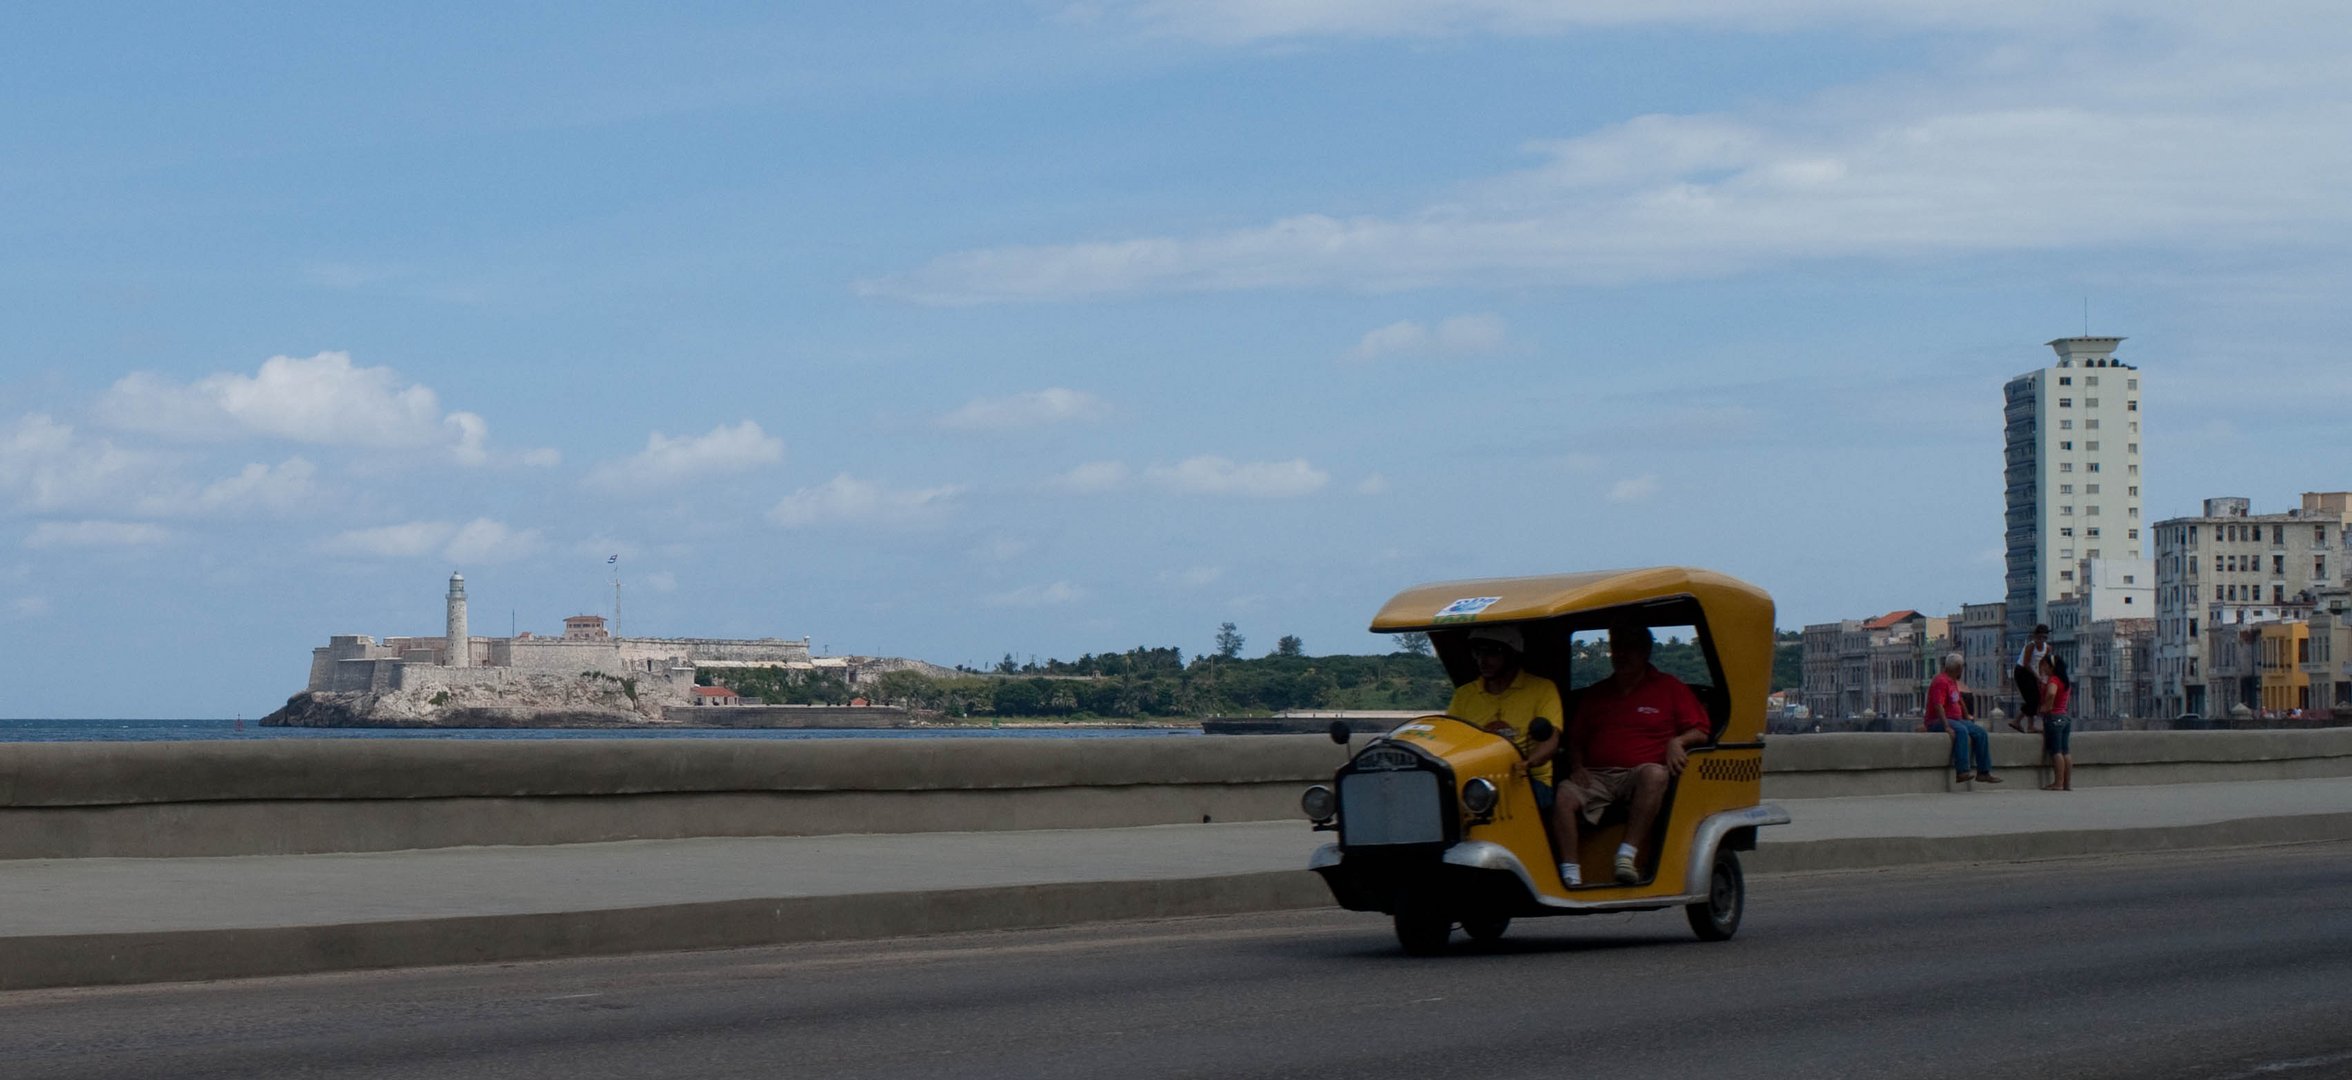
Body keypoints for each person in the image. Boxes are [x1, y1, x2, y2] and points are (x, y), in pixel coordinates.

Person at [1558, 626, 1712, 885]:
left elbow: (1701, 731)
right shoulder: (1596, 693)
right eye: (1617, 648)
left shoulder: (1669, 688)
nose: (1621, 655)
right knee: (1564, 794)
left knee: (1655, 774)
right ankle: (1570, 872)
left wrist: (1678, 741)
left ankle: (1626, 856)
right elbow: (1575, 740)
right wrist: (1577, 766)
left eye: (1629, 649)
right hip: (1597, 775)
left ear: (1645, 652)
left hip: (1639, 773)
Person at [1444, 625, 1572, 882]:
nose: (1484, 661)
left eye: (1493, 653)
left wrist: (1529, 762)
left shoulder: (1542, 689)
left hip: (1527, 781)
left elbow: (1550, 740)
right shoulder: (1465, 695)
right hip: (1473, 786)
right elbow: (1448, 739)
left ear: (1512, 655)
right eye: (1478, 653)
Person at [1922, 652, 2000, 786]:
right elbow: (1938, 706)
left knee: (1980, 733)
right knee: (1961, 731)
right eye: (1962, 667)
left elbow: (1958, 700)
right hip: (1938, 721)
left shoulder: (1952, 681)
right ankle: (1962, 771)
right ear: (1958, 667)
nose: (1962, 670)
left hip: (1956, 719)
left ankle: (1983, 772)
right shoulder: (1940, 681)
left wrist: (1967, 716)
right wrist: (1946, 726)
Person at [2041, 653, 2075, 791]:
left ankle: (2058, 783)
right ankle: (2067, 783)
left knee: (2056, 751)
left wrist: (2046, 706)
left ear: (2051, 666)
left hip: (2054, 717)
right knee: (2065, 751)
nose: (2043, 668)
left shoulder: (2054, 680)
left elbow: (2051, 693)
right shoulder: (2065, 681)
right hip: (2065, 717)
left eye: (2044, 665)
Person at [2012, 624, 2053, 733]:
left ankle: (2029, 725)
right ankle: (2018, 721)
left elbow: (2041, 663)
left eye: (2044, 638)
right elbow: (2026, 664)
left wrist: (2042, 676)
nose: (2041, 640)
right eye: (2039, 637)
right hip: (2022, 672)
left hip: (2032, 672)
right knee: (2032, 699)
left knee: (2035, 699)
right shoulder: (2031, 646)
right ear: (2035, 636)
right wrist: (2037, 676)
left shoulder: (2047, 648)